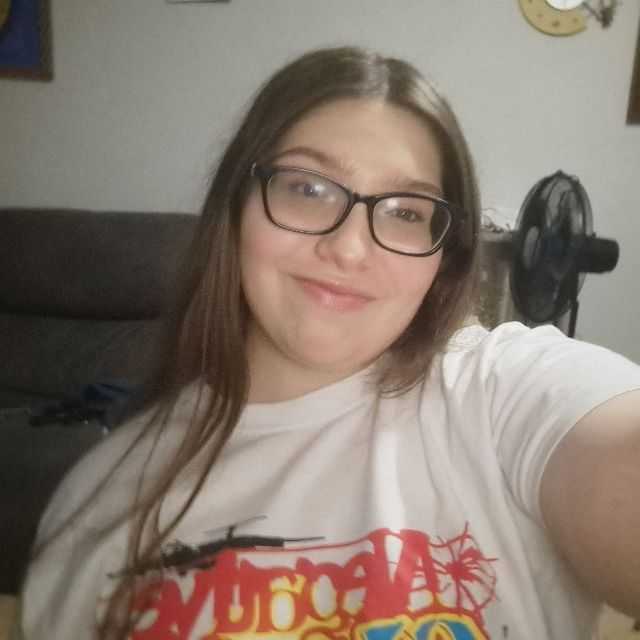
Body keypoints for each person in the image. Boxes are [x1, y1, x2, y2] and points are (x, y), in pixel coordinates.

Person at [17, 47, 640, 640]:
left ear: (442, 259)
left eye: (405, 211)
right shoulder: (100, 499)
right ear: (236, 206)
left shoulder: (500, 390)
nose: (348, 248)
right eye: (308, 188)